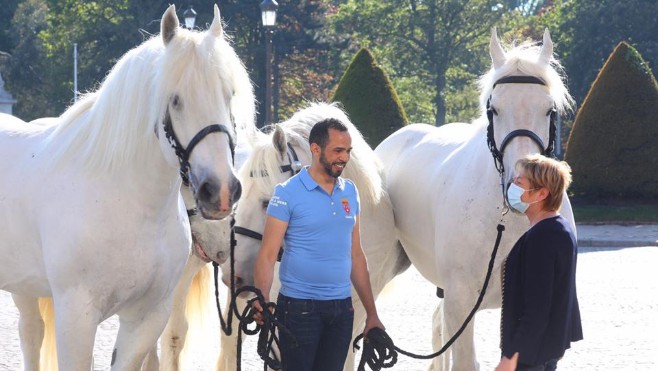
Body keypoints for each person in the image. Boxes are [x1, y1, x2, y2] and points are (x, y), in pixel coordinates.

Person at [253, 117, 384, 371]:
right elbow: (267, 255)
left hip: (341, 311)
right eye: (337, 150)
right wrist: (262, 298)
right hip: (299, 310)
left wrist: (372, 314)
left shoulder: (350, 192)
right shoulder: (287, 193)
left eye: (348, 151)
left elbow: (356, 255)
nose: (344, 158)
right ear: (315, 149)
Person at [496, 154, 583, 371]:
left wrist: (511, 357)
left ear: (541, 193)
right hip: (542, 350)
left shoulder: (543, 237)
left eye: (519, 182)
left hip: (530, 357)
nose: (512, 186)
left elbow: (537, 308)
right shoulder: (558, 227)